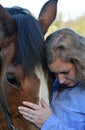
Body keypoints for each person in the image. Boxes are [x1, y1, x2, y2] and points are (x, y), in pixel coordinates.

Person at [18, 28, 85, 130]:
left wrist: (49, 123)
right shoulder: (53, 82)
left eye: (65, 72)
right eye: (55, 73)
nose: (60, 80)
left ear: (80, 62)